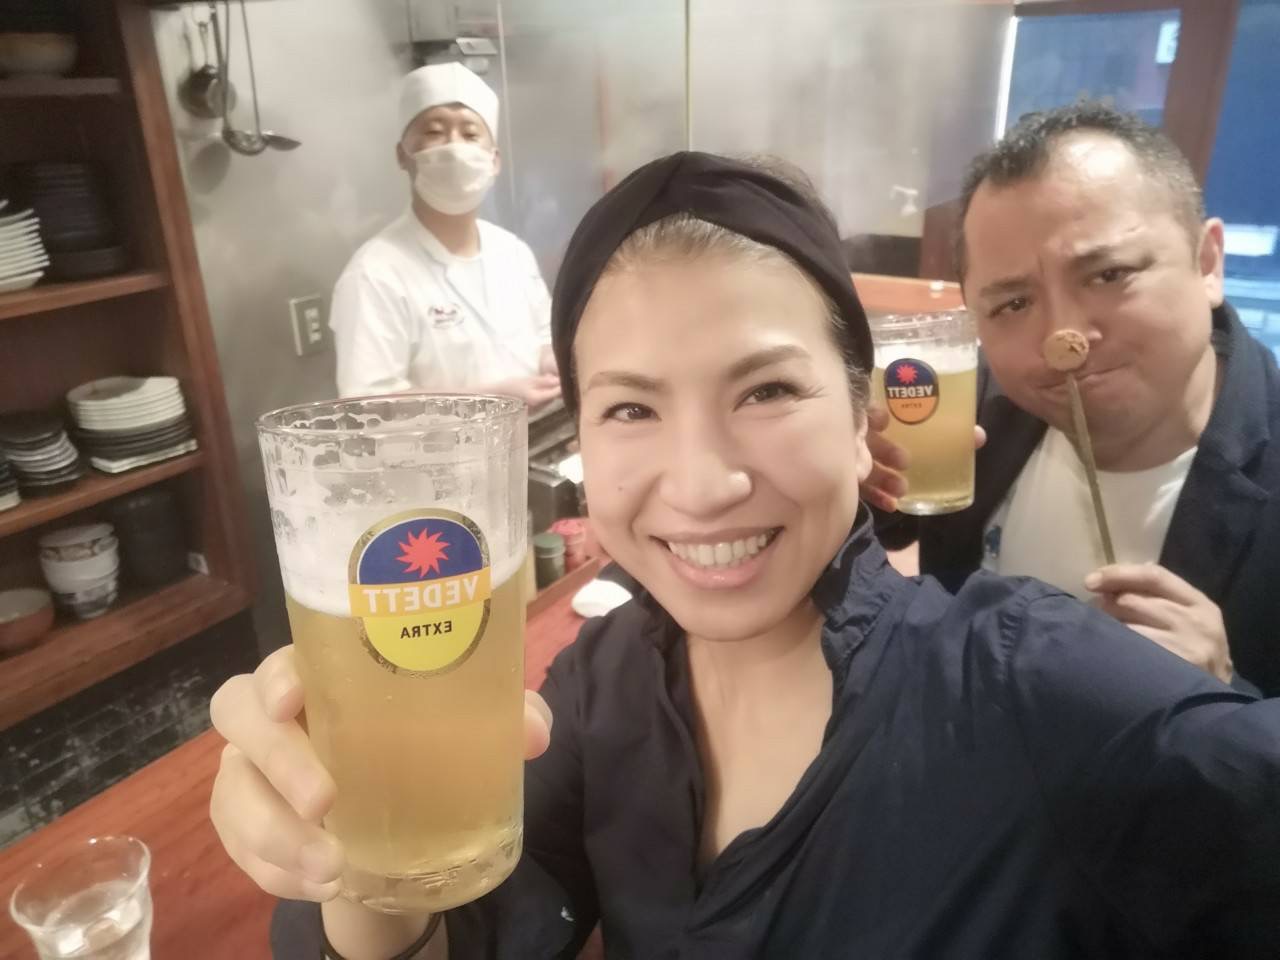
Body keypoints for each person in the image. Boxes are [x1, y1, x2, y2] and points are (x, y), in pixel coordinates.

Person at [210, 153, 1280, 959]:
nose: (699, 482)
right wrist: (361, 867)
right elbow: (480, 928)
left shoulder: (1026, 687)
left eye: (766, 390)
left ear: (862, 421)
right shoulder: (599, 686)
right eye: (630, 408)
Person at [869, 102, 1280, 697]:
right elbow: (890, 517)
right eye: (1013, 304)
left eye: (1109, 275)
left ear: (1207, 262)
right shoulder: (970, 408)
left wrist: (1224, 700)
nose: (1062, 339)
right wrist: (855, 480)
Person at [329, 62, 561, 408]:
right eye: (434, 132)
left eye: (470, 134)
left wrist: (551, 360)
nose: (454, 148)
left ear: (494, 160)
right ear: (402, 155)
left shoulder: (513, 252)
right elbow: (367, 405)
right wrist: (492, 400)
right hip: (444, 447)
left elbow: (544, 335)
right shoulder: (374, 274)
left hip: (534, 436)